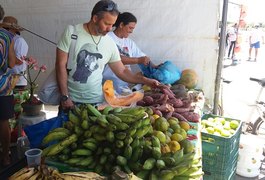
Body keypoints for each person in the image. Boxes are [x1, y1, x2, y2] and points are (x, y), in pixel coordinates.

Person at [56, 0, 160, 110]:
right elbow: (60, 65)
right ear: (95, 18)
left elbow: (122, 71)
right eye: (107, 24)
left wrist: (145, 80)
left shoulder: (109, 42)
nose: (110, 29)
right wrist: (65, 97)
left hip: (96, 102)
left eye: (112, 24)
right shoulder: (72, 33)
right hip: (71, 101)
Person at [103, 12, 157, 94]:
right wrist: (138, 60)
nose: (131, 31)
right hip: (107, 83)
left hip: (124, 82)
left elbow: (142, 57)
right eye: (130, 28)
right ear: (121, 25)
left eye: (133, 29)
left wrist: (154, 66)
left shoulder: (129, 43)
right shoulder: (107, 38)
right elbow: (117, 59)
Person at [0, 6, 20, 166]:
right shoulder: (7, 37)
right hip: (2, 85)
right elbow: (12, 63)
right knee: (3, 122)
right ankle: (6, 156)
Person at [2, 16, 29, 118]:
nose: (4, 31)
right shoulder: (4, 39)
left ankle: (16, 133)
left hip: (17, 81)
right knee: (6, 114)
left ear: (13, 29)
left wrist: (5, 56)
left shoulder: (19, 41)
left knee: (15, 112)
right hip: (6, 80)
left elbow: (18, 61)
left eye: (7, 29)